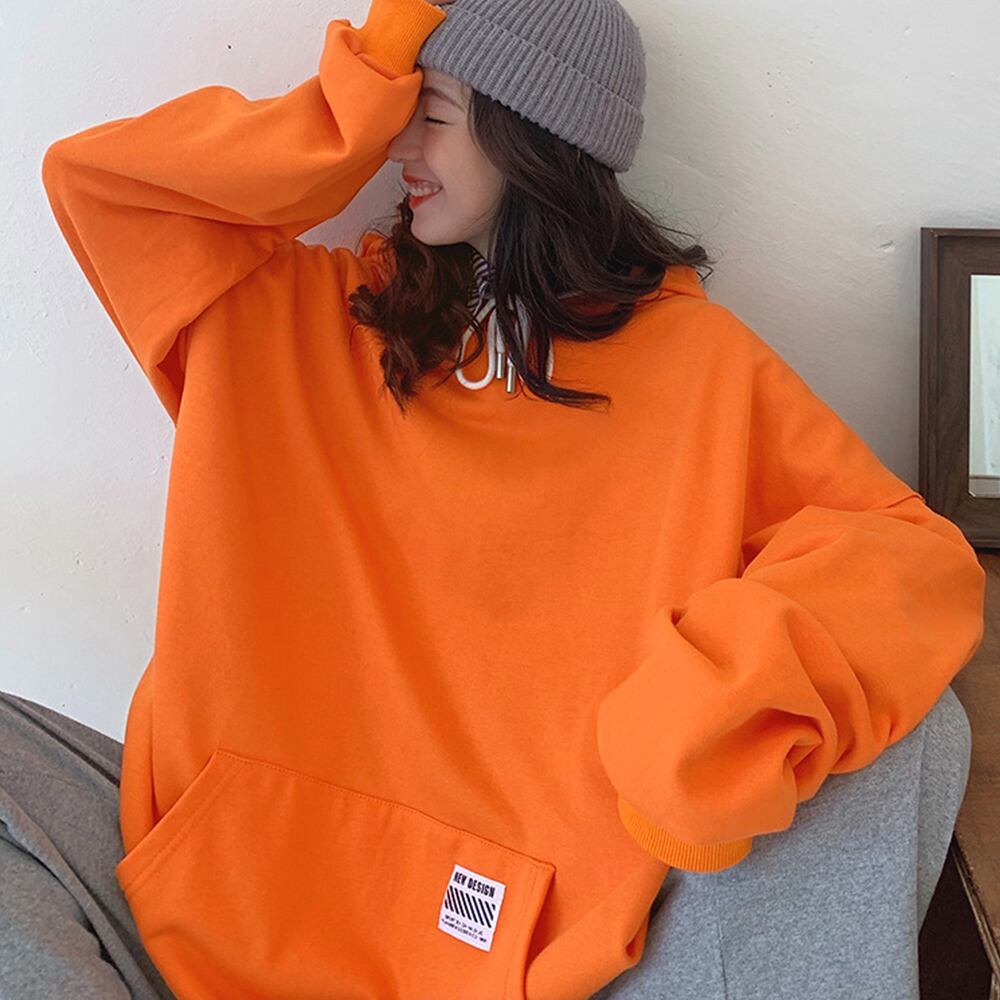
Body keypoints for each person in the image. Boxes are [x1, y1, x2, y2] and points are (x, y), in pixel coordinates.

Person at [8, 0, 985, 995]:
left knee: (916, 738)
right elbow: (101, 186)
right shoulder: (298, 318)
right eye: (396, 117)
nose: (399, 149)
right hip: (235, 887)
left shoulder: (697, 371)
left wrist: (702, 712)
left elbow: (908, 555)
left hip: (526, 925)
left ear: (534, 140)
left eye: (430, 114)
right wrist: (354, 100)